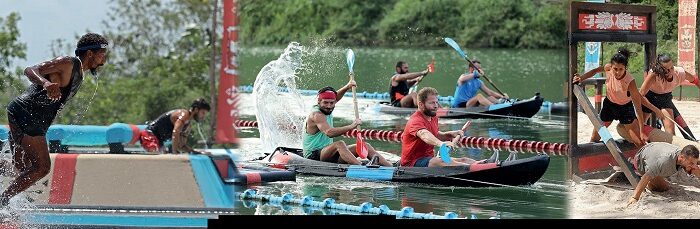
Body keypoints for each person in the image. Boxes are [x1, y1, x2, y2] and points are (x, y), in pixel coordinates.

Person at [1, 33, 109, 206]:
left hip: (30, 117)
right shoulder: (69, 63)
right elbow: (30, 70)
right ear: (90, 54)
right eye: (102, 53)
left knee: (22, 167)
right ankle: (2, 201)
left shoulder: (79, 73)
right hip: (27, 113)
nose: (104, 58)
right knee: (41, 167)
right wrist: (45, 83)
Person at [573, 48, 664, 146]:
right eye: (615, 69)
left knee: (639, 142)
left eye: (621, 69)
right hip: (609, 106)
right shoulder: (608, 68)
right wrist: (581, 77)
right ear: (611, 67)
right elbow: (595, 71)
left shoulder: (630, 82)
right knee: (595, 137)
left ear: (625, 68)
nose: (617, 72)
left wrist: (642, 131)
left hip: (625, 109)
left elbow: (638, 107)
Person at [303, 80, 392, 166]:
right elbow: (329, 132)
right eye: (325, 103)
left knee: (366, 146)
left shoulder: (328, 105)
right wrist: (351, 126)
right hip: (314, 155)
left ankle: (390, 167)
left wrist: (348, 86)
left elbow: (336, 96)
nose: (329, 106)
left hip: (329, 153)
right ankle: (360, 167)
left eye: (332, 103)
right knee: (339, 144)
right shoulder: (317, 114)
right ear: (319, 102)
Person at [400, 87, 476, 167]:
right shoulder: (415, 120)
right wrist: (441, 143)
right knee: (442, 161)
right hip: (411, 163)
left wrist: (450, 134)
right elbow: (424, 135)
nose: (436, 106)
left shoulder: (433, 117)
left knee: (464, 160)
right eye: (432, 103)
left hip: (429, 159)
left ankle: (485, 164)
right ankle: (473, 169)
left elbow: (435, 134)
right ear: (421, 104)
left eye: (436, 102)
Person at [640, 54, 699, 140]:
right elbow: (641, 94)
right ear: (660, 69)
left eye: (671, 68)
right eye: (666, 70)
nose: (670, 71)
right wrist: (655, 110)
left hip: (665, 99)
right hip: (650, 97)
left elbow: (695, 80)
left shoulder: (679, 73)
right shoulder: (654, 74)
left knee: (670, 133)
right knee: (639, 126)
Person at [627, 143, 700, 206]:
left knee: (693, 168)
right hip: (640, 161)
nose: (693, 165)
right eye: (691, 163)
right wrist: (635, 197)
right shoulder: (664, 161)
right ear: (681, 157)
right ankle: (633, 165)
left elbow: (695, 167)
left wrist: (693, 166)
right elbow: (646, 177)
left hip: (653, 151)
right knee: (662, 188)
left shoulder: (683, 156)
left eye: (694, 163)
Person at [139, 98, 211, 154]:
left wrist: (195, 152)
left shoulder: (188, 125)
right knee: (156, 153)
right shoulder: (184, 114)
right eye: (203, 113)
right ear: (196, 110)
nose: (203, 116)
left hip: (158, 141)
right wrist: (174, 152)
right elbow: (175, 132)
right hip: (149, 135)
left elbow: (181, 146)